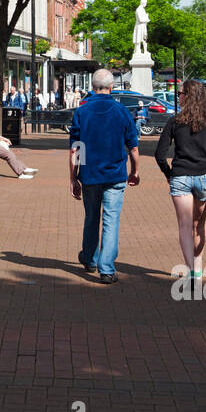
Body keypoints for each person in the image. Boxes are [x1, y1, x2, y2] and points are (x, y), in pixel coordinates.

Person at [155, 80, 206, 291]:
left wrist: (168, 172)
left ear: (189, 96)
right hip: (204, 177)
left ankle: (191, 269)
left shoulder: (174, 121)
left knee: (184, 226)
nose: (178, 96)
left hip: (181, 176)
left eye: (181, 93)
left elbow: (159, 154)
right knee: (198, 225)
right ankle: (198, 268)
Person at [68, 68, 140, 284]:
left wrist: (73, 177)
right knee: (111, 220)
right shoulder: (121, 111)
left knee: (91, 217)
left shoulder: (82, 111)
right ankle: (106, 268)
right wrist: (135, 171)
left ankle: (90, 258)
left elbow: (76, 149)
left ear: (92, 87)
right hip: (115, 174)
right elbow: (133, 147)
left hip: (90, 174)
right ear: (112, 87)